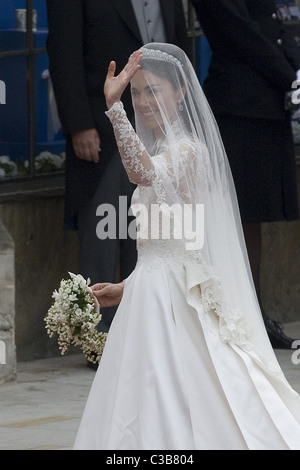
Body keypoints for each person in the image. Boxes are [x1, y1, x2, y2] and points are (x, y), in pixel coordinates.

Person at [74, 43, 300, 450]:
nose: (143, 101)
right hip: (150, 293)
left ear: (180, 94)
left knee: (180, 390)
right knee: (138, 394)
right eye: (136, 93)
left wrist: (114, 108)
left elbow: (140, 172)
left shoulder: (190, 152)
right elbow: (165, 245)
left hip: (176, 301)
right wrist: (125, 288)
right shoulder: (160, 151)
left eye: (153, 91)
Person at [45, 0, 190, 334]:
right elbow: (64, 51)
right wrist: (80, 124)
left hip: (163, 130)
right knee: (104, 230)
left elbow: (180, 50)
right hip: (102, 130)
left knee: (151, 232)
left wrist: (180, 117)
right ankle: (97, 335)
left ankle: (145, 328)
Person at [190, 0, 300, 349]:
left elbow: (279, 25)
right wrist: (290, 76)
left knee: (255, 218)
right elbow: (243, 35)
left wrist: (297, 71)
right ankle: (236, 319)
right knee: (237, 217)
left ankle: (253, 315)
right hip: (238, 108)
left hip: (268, 106)